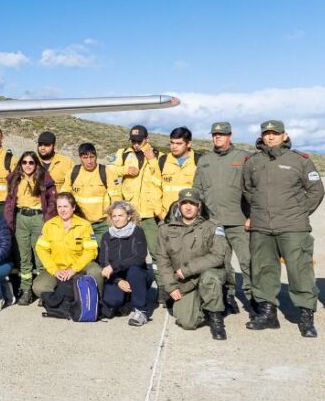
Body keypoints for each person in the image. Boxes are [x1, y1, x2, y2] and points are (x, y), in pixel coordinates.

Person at [242, 120, 325, 337]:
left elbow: (316, 191)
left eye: (275, 133)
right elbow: (248, 190)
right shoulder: (252, 162)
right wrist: (258, 211)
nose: (271, 137)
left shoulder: (300, 160)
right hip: (262, 227)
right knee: (263, 271)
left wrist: (299, 213)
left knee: (300, 271)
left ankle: (306, 317)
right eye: (267, 133)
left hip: (293, 227)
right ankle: (268, 314)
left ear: (284, 136)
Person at [194, 122, 253, 314]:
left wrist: (252, 216)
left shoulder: (244, 157)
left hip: (240, 221)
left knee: (247, 262)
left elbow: (254, 188)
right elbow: (197, 189)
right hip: (215, 222)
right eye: (215, 134)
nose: (217, 137)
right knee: (222, 263)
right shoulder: (205, 160)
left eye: (222, 134)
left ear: (230, 136)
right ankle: (227, 297)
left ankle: (255, 300)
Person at [156, 188, 229, 339]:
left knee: (209, 278)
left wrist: (187, 270)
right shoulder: (166, 228)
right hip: (185, 282)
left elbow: (218, 256)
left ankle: (216, 319)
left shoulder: (212, 226)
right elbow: (163, 260)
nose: (188, 207)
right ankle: (203, 306)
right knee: (187, 322)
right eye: (184, 203)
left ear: (199, 206)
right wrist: (170, 286)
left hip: (207, 275)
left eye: (193, 204)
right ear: (179, 205)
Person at [33, 192, 104, 309]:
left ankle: (96, 302)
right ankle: (64, 299)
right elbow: (41, 249)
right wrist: (54, 270)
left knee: (96, 271)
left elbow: (91, 251)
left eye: (65, 206)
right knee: (39, 287)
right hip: (58, 267)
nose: (62, 210)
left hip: (80, 266)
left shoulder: (84, 225)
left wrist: (74, 269)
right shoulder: (49, 225)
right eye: (59, 207)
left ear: (73, 207)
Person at [4, 151, 58, 304]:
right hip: (21, 217)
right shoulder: (15, 179)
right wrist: (9, 222)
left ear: (36, 164)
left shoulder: (44, 178)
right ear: (20, 164)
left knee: (40, 254)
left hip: (38, 218)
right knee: (24, 256)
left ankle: (42, 290)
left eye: (31, 162)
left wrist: (47, 221)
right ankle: (26, 289)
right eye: (24, 162)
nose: (27, 165)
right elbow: (9, 202)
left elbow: (52, 202)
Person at [112, 125, 163, 258]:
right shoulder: (122, 153)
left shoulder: (159, 156)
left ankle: (158, 272)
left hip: (150, 213)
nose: (135, 144)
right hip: (129, 212)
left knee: (155, 251)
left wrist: (152, 160)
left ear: (147, 139)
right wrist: (125, 170)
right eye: (133, 141)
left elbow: (160, 178)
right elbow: (110, 170)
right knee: (128, 251)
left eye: (139, 141)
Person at [97, 200, 151, 324]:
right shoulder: (106, 236)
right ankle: (126, 300)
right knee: (112, 301)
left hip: (136, 273)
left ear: (129, 216)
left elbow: (139, 258)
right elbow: (104, 262)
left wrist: (114, 266)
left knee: (135, 271)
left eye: (120, 215)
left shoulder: (137, 232)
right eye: (114, 216)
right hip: (117, 275)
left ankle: (141, 311)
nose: (117, 219)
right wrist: (118, 281)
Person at [66, 143, 119, 239]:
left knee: (103, 248)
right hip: (80, 223)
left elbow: (117, 199)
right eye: (85, 158)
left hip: (103, 225)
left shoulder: (106, 171)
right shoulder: (73, 172)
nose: (89, 161)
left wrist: (115, 220)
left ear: (96, 157)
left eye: (92, 157)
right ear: (80, 158)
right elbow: (64, 197)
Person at [158, 127, 198, 217]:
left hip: (191, 216)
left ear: (189, 144)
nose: (174, 146)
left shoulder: (198, 161)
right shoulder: (162, 160)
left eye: (179, 143)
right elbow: (155, 188)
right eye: (172, 143)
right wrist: (159, 213)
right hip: (166, 215)